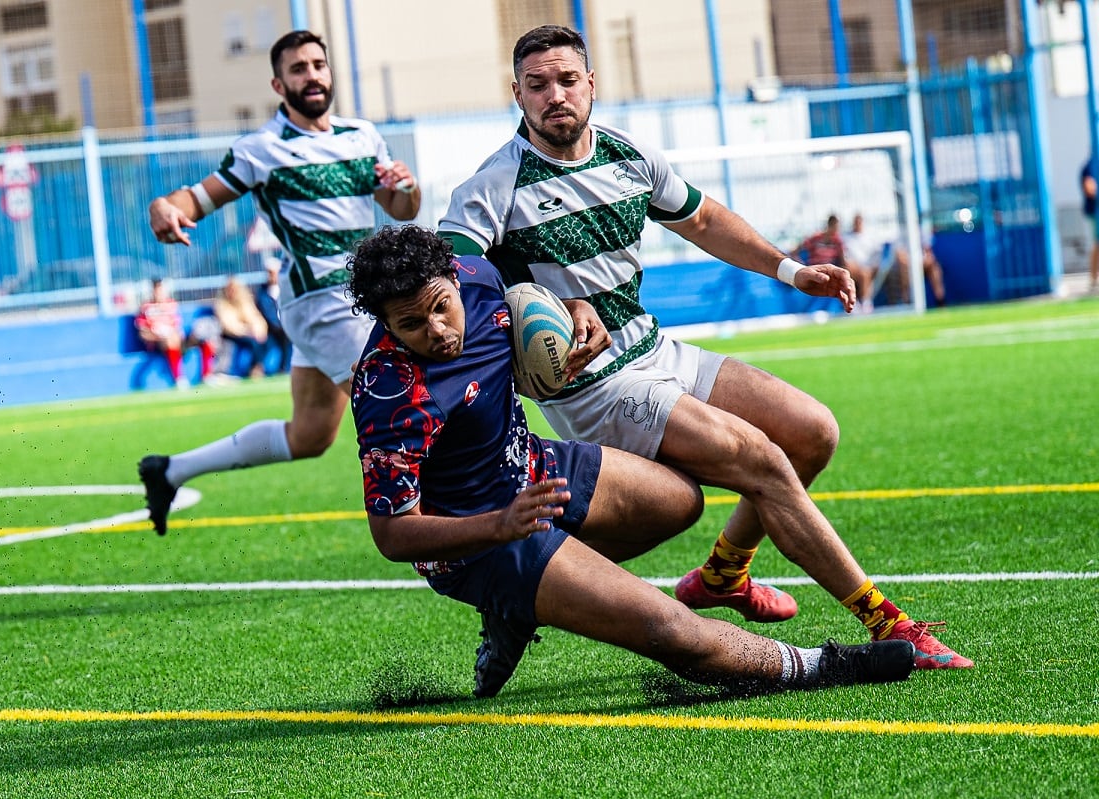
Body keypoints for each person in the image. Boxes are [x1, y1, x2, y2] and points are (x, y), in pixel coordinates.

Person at [437, 24, 970, 670]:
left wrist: (791, 271)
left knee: (812, 433)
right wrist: (536, 300)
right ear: (515, 94)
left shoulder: (628, 156)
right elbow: (452, 278)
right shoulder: (495, 186)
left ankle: (723, 574)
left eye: (568, 80)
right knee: (762, 460)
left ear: (592, 85)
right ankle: (892, 623)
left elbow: (705, 219)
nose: (556, 95)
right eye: (538, 84)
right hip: (596, 389)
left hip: (657, 350)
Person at [347, 224, 915, 698]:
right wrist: (499, 526)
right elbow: (395, 536)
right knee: (667, 627)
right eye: (412, 325)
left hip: (535, 468)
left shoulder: (478, 276)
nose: (438, 331)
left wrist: (573, 310)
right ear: (385, 325)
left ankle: (522, 609)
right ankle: (829, 664)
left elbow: (528, 303)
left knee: (678, 502)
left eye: (441, 309)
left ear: (453, 278)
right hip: (486, 540)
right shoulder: (388, 393)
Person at [137, 30, 420, 535]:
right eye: (298, 69)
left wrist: (406, 186)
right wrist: (164, 207)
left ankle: (170, 470)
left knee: (311, 434)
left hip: (365, 295)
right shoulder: (261, 149)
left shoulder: (362, 134)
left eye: (318, 64)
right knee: (401, 402)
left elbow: (400, 209)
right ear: (278, 83)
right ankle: (445, 537)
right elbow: (197, 199)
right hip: (322, 301)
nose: (311, 75)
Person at [133, 278, 216, 389]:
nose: (159, 293)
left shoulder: (171, 304)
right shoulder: (145, 308)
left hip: (177, 339)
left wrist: (177, 335)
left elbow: (177, 326)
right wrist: (159, 336)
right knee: (170, 340)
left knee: (205, 338)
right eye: (156, 290)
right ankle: (179, 379)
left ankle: (207, 375)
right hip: (159, 343)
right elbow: (143, 333)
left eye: (161, 290)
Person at [212, 275, 269, 379]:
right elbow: (230, 326)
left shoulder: (245, 300)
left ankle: (256, 368)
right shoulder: (222, 303)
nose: (232, 291)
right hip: (230, 335)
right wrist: (248, 331)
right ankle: (253, 370)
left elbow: (255, 317)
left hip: (246, 333)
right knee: (253, 342)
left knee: (263, 341)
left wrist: (259, 330)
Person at [255, 256, 292, 374]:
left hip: (286, 324)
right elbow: (267, 313)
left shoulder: (286, 288)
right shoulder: (262, 292)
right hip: (272, 328)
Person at [840, 213, 880, 313]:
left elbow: (877, 256)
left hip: (868, 267)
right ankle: (855, 303)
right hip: (852, 267)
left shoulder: (871, 237)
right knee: (857, 273)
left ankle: (865, 302)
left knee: (865, 273)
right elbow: (844, 256)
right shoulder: (846, 237)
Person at [1081, 156, 1098, 292]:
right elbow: (1089, 188)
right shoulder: (1091, 166)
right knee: (1097, 244)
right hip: (1095, 212)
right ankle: (1093, 279)